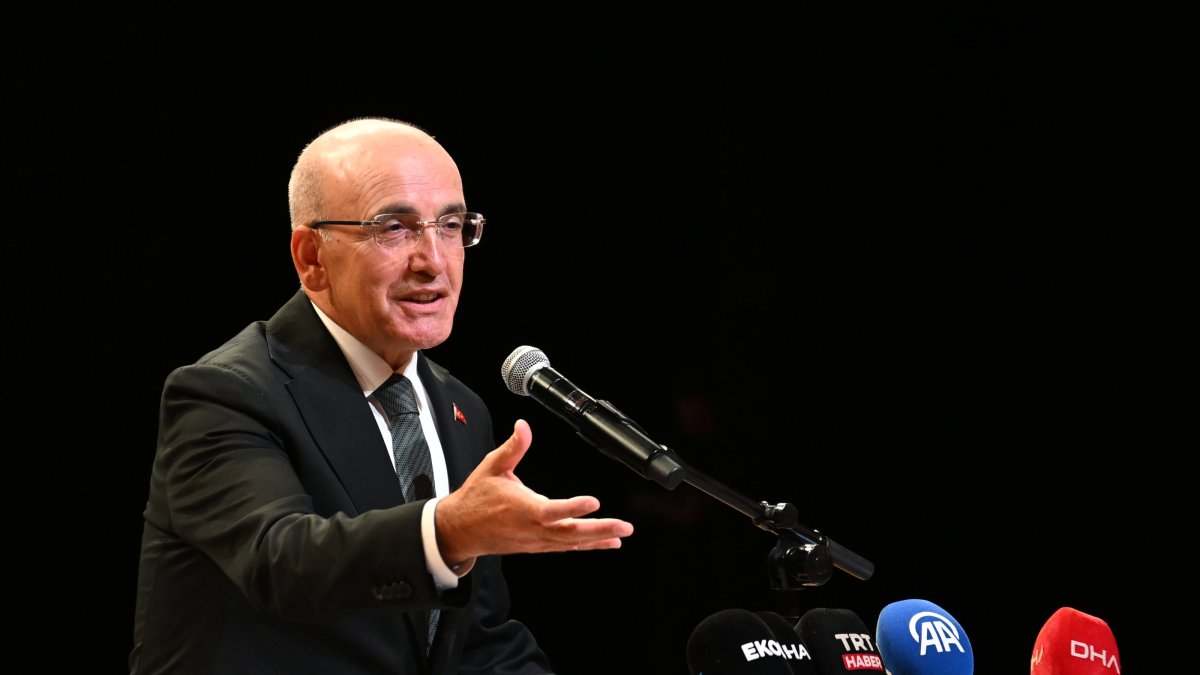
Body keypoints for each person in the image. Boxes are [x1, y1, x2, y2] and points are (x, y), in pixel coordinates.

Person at [129, 116, 635, 675]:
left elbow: (475, 640)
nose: (433, 261)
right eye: (394, 228)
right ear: (312, 257)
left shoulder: (460, 409)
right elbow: (281, 562)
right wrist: (447, 530)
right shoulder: (225, 392)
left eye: (451, 226)